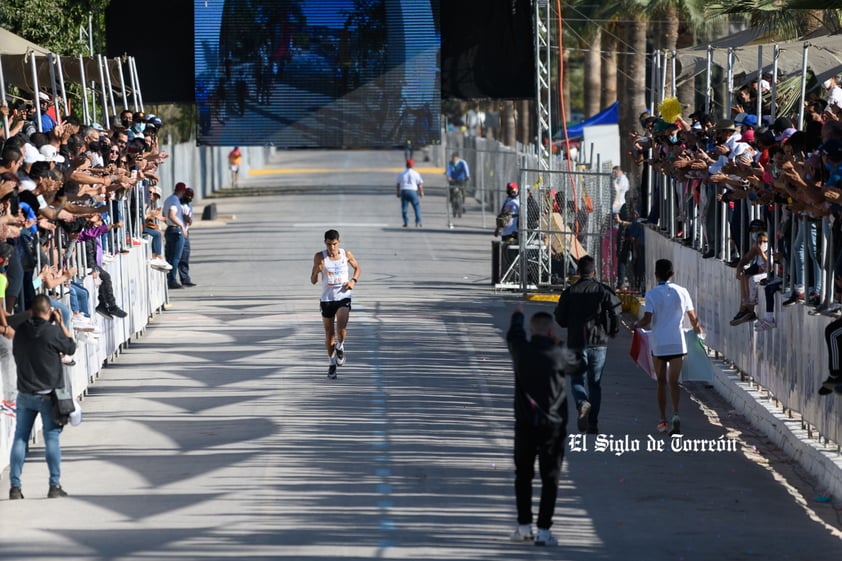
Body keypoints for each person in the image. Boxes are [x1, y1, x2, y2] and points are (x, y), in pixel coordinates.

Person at [506, 303, 579, 547]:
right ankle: (544, 531)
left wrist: (517, 316)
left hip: (525, 424)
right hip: (553, 427)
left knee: (523, 475)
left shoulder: (521, 351)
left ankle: (523, 526)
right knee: (550, 479)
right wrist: (558, 343)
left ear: (532, 330)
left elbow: (514, 334)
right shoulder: (559, 354)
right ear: (550, 332)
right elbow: (580, 364)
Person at [9, 294, 77, 500]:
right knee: (51, 438)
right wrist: (62, 324)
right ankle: (54, 484)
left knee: (20, 439)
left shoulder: (21, 331)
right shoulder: (53, 332)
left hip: (25, 393)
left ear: (31, 310)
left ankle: (15, 486)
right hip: (48, 394)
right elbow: (71, 347)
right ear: (49, 312)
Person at [634, 259, 704, 435]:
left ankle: (663, 420)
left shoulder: (651, 294)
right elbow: (693, 317)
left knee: (661, 382)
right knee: (674, 382)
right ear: (672, 274)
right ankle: (676, 414)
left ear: (656, 274)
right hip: (677, 342)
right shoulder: (682, 292)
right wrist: (698, 331)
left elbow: (647, 319)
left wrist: (636, 325)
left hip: (659, 343)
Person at [553, 255, 621, 434]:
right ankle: (593, 423)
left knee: (576, 379)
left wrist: (570, 323)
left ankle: (582, 403)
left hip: (576, 340)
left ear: (577, 272)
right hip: (599, 341)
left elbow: (560, 317)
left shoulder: (570, 292)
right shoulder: (602, 290)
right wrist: (614, 329)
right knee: (595, 383)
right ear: (595, 271)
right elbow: (616, 310)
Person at [310, 229, 361, 379]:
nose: (331, 248)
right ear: (324, 243)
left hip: (343, 296)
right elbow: (313, 281)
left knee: (341, 328)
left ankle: (340, 346)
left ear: (338, 242)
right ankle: (332, 363)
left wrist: (353, 281)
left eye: (334, 244)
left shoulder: (346, 254)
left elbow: (358, 268)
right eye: (328, 244)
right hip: (327, 299)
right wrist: (316, 272)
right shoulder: (320, 257)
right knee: (329, 334)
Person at [163, 182, 189, 289]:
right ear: (182, 191)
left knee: (169, 256)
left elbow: (165, 215)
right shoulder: (174, 201)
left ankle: (169, 278)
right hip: (176, 230)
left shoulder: (169, 199)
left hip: (169, 229)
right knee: (176, 257)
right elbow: (171, 215)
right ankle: (172, 279)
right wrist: (181, 226)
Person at [396, 159, 423, 228]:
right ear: (412, 165)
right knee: (416, 207)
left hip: (404, 190)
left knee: (404, 208)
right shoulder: (416, 173)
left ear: (406, 165)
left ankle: (406, 222)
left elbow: (398, 184)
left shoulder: (401, 173)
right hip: (413, 191)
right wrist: (421, 192)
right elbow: (419, 184)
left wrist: (398, 192)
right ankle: (418, 222)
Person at [178, 188, 196, 287]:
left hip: (186, 232)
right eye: (187, 196)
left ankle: (185, 279)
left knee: (185, 257)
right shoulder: (177, 204)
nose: (189, 198)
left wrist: (188, 219)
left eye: (191, 197)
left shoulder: (189, 206)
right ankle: (170, 279)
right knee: (175, 258)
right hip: (178, 231)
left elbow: (190, 221)